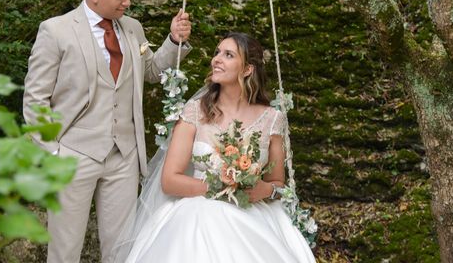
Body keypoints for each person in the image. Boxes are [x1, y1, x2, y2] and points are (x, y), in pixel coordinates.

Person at [23, 0, 192, 263]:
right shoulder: (56, 31)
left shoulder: (132, 29)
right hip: (73, 155)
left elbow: (153, 72)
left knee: (121, 249)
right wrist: (53, 154)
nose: (127, 2)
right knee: (65, 250)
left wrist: (173, 40)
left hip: (123, 157)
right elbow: (35, 99)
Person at [113, 32, 315, 263]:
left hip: (252, 212)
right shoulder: (195, 112)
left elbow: (278, 183)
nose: (216, 59)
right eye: (217, 52)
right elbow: (170, 180)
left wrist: (265, 190)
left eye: (228, 55)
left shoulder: (272, 118)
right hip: (197, 209)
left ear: (247, 69)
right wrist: (219, 186)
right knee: (205, 221)